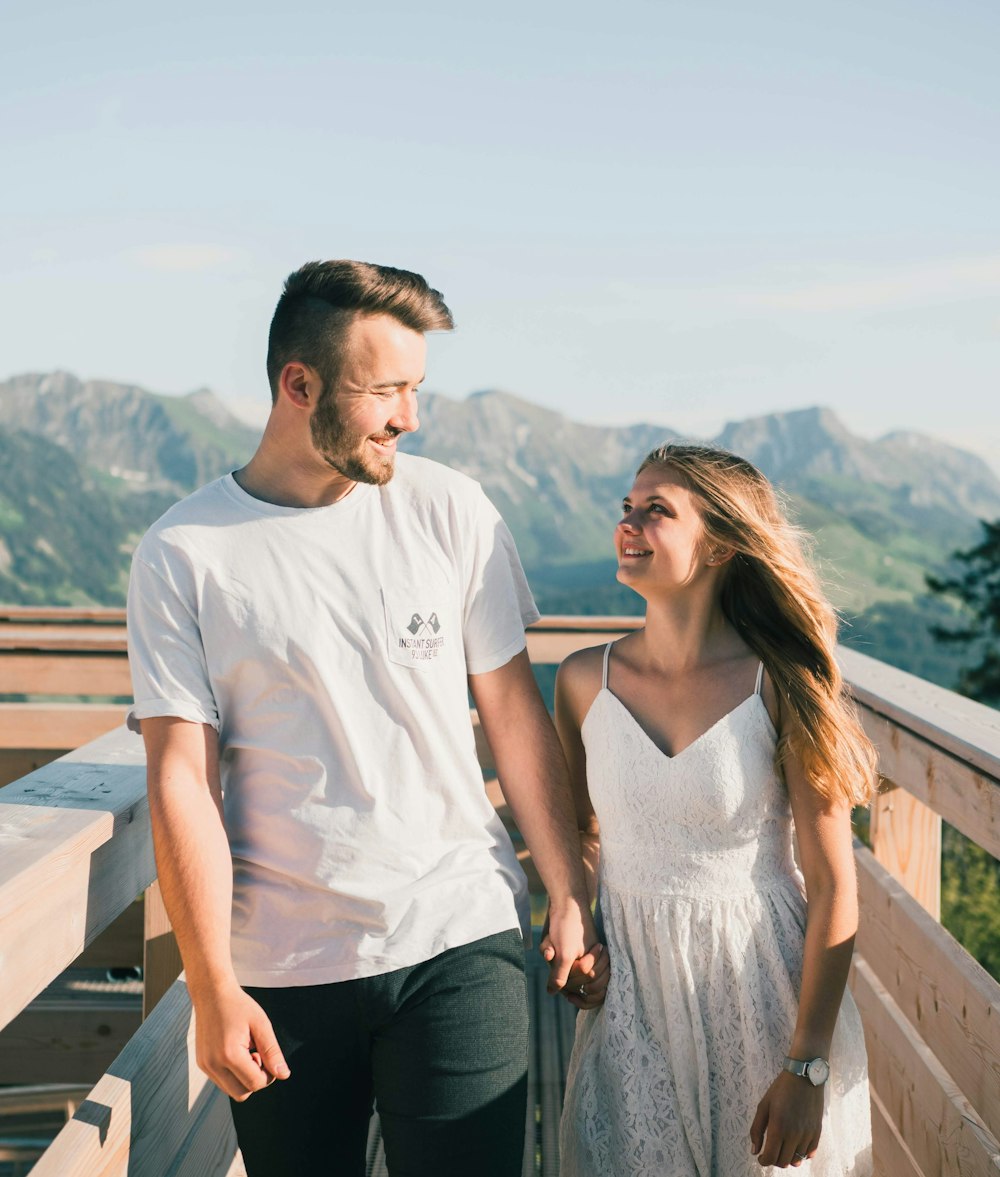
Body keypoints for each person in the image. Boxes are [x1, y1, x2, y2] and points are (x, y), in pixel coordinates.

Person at [126, 259, 607, 1177]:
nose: (409, 416)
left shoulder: (450, 509)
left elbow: (512, 710)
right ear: (296, 384)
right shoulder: (182, 554)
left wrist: (568, 889)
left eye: (416, 388)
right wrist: (213, 985)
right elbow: (181, 778)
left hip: (457, 931)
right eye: (385, 389)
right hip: (279, 967)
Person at [557, 443, 876, 1175]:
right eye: (627, 508)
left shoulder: (780, 682)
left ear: (722, 544)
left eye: (657, 511)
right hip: (633, 999)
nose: (629, 523)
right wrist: (573, 922)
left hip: (762, 993)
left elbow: (832, 886)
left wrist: (807, 1067)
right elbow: (581, 829)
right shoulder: (582, 681)